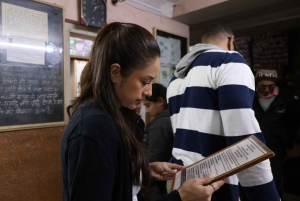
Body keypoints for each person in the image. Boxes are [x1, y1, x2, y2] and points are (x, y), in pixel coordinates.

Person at [60, 22, 224, 201]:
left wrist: (142, 170)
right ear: (115, 72)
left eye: (152, 82)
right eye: (145, 81)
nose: (149, 92)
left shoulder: (115, 116)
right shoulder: (93, 128)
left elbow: (111, 178)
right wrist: (180, 198)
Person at [167, 22, 280, 201]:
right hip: (214, 188)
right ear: (230, 40)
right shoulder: (229, 61)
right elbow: (245, 145)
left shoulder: (177, 77)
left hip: (182, 186)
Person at [252, 66, 300, 199]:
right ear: (257, 84)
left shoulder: (287, 100)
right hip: (252, 146)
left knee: (275, 180)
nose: (267, 89)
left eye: (270, 86)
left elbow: (293, 124)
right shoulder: (250, 98)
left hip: (276, 147)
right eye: (263, 86)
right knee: (252, 180)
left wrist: (290, 144)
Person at [143, 83, 173, 201]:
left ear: (160, 101)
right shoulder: (172, 117)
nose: (147, 111)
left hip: (158, 189)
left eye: (148, 105)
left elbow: (154, 159)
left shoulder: (159, 126)